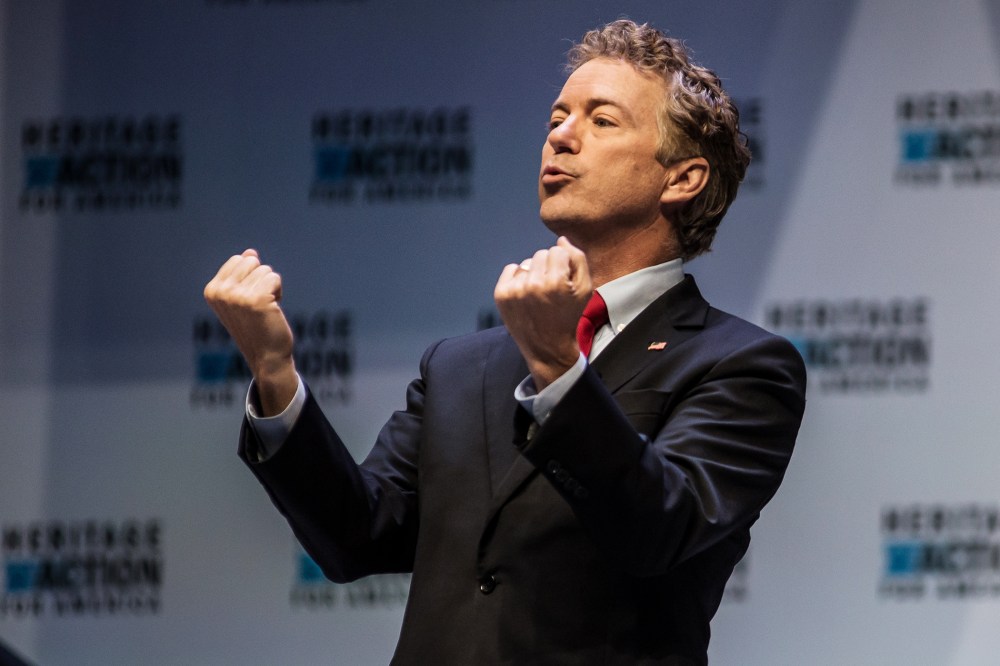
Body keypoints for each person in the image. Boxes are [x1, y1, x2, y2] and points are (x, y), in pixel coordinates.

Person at [204, 19, 806, 665]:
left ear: (681, 179)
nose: (562, 135)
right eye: (558, 116)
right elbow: (359, 538)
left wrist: (556, 368)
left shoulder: (739, 364)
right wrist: (274, 372)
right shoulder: (460, 365)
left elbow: (658, 531)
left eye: (601, 121)